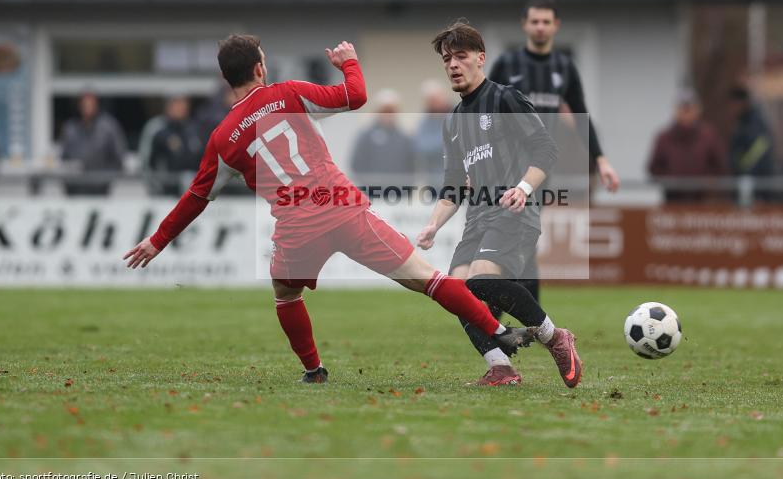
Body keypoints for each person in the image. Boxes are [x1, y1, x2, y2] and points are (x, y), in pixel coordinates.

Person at [123, 35, 531, 383]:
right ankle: (498, 330)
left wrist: (158, 241)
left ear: (226, 78)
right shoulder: (287, 94)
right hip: (342, 208)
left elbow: (196, 197)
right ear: (260, 68)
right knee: (427, 278)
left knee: (285, 295)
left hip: (297, 228)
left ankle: (314, 370)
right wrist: (349, 62)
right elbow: (355, 96)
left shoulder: (223, 137)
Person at [416, 20, 582, 388]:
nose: (453, 65)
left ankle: (555, 337)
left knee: (482, 280)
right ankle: (501, 367)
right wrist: (433, 225)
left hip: (513, 211)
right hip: (477, 216)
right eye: (447, 59)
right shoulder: (454, 121)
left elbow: (546, 149)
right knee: (455, 292)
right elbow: (453, 185)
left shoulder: (505, 98)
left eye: (461, 56)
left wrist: (523, 187)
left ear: (480, 59)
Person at [488, 0, 619, 305]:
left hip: (538, 170)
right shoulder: (508, 64)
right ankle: (521, 318)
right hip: (503, 166)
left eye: (546, 22)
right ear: (525, 25)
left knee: (521, 239)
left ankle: (510, 319)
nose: (540, 27)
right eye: (535, 21)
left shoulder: (564, 67)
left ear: (556, 26)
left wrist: (601, 160)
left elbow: (581, 115)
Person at [648, 90, 727, 202]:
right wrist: (671, 181)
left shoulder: (709, 136)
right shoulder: (664, 137)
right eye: (682, 109)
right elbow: (654, 168)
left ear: (698, 110)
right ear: (675, 111)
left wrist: (706, 182)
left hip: (702, 202)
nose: (686, 113)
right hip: (673, 202)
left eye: (689, 109)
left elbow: (720, 166)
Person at [60, 92, 128, 195]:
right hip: (75, 188)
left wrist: (105, 179)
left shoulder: (108, 127)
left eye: (90, 105)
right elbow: (64, 158)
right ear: (79, 106)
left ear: (97, 106)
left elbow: (119, 158)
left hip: (101, 188)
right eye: (84, 105)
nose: (87, 108)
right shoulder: (70, 128)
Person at [349, 89, 415, 184]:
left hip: (399, 194)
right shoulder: (365, 136)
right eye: (384, 110)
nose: (388, 114)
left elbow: (411, 167)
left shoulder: (405, 138)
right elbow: (356, 164)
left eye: (391, 111)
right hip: (372, 193)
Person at [144, 96, 204, 196]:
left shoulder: (194, 130)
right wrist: (157, 188)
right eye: (177, 103)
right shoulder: (158, 131)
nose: (181, 107)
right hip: (165, 193)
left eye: (183, 104)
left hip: (192, 193)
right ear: (168, 107)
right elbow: (148, 163)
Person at [728, 86, 776, 200]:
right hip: (746, 181)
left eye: (735, 103)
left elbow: (759, 153)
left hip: (754, 184)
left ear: (743, 102)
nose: (732, 108)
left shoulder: (754, 124)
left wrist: (741, 168)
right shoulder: (741, 122)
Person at [414, 80, 451, 182]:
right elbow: (421, 147)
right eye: (430, 100)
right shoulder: (424, 123)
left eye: (436, 98)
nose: (434, 103)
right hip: (435, 180)